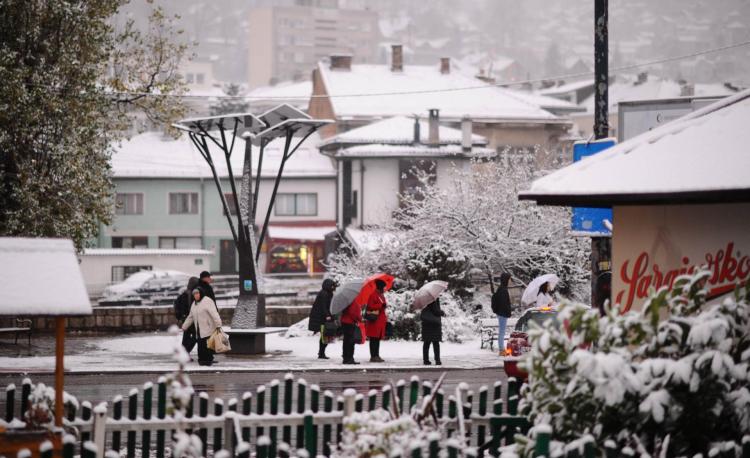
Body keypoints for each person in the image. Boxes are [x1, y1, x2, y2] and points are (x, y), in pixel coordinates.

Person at [182, 287, 223, 366]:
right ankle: (202, 361)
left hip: (208, 328)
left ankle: (207, 361)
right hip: (199, 329)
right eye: (194, 294)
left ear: (201, 293)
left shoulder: (207, 301)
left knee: (207, 346)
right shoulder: (194, 304)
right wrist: (184, 326)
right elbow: (190, 316)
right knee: (200, 345)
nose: (196, 295)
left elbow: (214, 314)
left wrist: (218, 324)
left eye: (197, 293)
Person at [308, 278, 336, 359]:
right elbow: (323, 306)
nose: (333, 287)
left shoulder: (327, 293)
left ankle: (321, 353)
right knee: (325, 335)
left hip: (323, 318)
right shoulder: (324, 294)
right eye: (332, 286)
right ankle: (321, 353)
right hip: (322, 319)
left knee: (325, 335)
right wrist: (328, 315)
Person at [174, 276, 200, 355]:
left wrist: (180, 317)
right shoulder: (194, 294)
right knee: (196, 336)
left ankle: (183, 353)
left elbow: (177, 306)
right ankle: (185, 353)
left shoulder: (184, 294)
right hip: (191, 319)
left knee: (186, 337)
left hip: (185, 319)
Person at [365, 279, 388, 363]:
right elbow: (370, 306)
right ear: (380, 287)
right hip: (374, 320)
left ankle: (377, 355)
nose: (384, 289)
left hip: (379, 320)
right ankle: (373, 356)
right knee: (374, 339)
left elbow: (382, 305)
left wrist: (383, 305)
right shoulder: (373, 295)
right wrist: (381, 305)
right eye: (383, 287)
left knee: (377, 339)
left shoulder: (380, 295)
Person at [491, 273, 512, 355]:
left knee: (502, 331)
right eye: (509, 279)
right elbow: (504, 304)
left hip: (501, 313)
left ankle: (501, 349)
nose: (510, 281)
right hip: (502, 313)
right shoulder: (503, 289)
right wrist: (508, 312)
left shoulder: (502, 288)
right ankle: (501, 350)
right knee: (502, 332)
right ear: (506, 279)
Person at [421, 298, 445, 365]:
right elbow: (435, 311)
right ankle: (437, 360)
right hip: (434, 323)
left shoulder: (423, 298)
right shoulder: (433, 298)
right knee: (436, 342)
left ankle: (426, 360)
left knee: (426, 343)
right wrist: (442, 313)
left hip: (426, 323)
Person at [340, 301, 362, 365]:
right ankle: (349, 358)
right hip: (350, 323)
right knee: (351, 342)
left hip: (344, 322)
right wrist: (358, 319)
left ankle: (345, 358)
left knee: (346, 341)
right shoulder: (353, 302)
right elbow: (353, 313)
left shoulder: (346, 302)